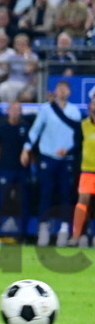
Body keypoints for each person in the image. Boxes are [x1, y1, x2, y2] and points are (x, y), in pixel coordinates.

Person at [22, 80, 84, 247]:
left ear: (69, 92)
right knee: (46, 193)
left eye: (65, 89)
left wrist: (68, 150)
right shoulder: (46, 109)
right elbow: (35, 130)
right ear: (55, 91)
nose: (62, 91)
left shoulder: (74, 111)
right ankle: (43, 229)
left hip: (66, 159)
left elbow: (78, 136)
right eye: (59, 88)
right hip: (48, 156)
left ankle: (64, 229)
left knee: (66, 194)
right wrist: (26, 149)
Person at [0, 101, 32, 242]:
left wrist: (32, 165)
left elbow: (30, 148)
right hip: (5, 168)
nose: (15, 112)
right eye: (13, 109)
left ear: (21, 112)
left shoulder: (25, 127)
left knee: (24, 202)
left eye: (18, 109)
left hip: (22, 170)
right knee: (0, 200)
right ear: (8, 112)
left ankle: (24, 234)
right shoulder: (2, 126)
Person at [70, 99, 95, 247]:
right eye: (94, 104)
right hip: (87, 171)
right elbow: (77, 147)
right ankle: (76, 235)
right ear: (89, 107)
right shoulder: (83, 125)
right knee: (83, 201)